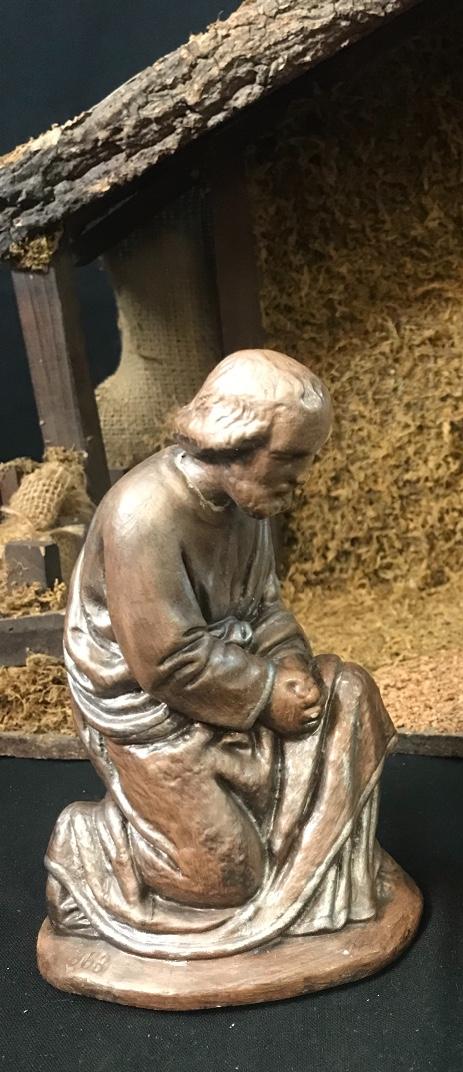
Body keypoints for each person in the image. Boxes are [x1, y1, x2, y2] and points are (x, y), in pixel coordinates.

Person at [45, 349, 396, 960]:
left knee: (349, 695)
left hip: (228, 684)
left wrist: (291, 664)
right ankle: (96, 841)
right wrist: (266, 693)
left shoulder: (246, 503)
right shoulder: (144, 514)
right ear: (234, 442)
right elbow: (166, 661)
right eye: (290, 458)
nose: (301, 477)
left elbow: (263, 606)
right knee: (224, 880)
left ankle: (318, 881)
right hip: (153, 717)